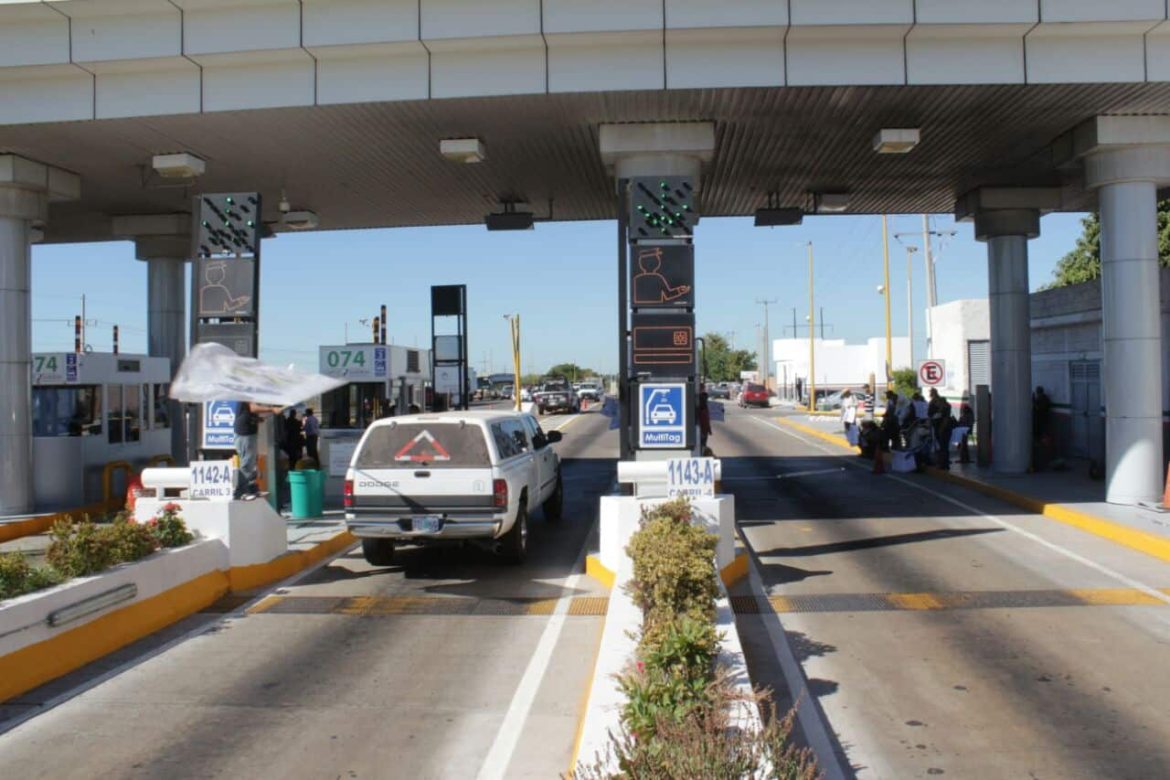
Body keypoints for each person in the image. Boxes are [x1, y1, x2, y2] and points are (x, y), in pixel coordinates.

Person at [234, 401, 282, 500]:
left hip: (248, 432)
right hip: (245, 433)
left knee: (252, 462)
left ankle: (252, 489)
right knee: (247, 462)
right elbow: (253, 408)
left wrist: (257, 419)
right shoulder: (247, 392)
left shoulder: (249, 393)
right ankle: (241, 491)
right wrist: (272, 409)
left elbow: (248, 411)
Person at [957, 398, 975, 464]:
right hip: (964, 430)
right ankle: (965, 458)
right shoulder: (968, 414)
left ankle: (963, 459)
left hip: (965, 431)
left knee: (963, 445)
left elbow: (968, 423)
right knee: (964, 445)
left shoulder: (967, 415)